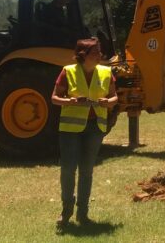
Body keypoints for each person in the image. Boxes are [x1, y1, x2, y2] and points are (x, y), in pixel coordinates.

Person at [52, 37, 118, 229]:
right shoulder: (68, 71)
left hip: (95, 127)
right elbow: (54, 98)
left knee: (87, 171)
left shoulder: (107, 72)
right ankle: (66, 210)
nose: (100, 54)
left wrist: (109, 102)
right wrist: (70, 102)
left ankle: (83, 213)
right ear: (83, 55)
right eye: (96, 52)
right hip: (70, 129)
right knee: (68, 169)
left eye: (99, 51)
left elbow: (114, 96)